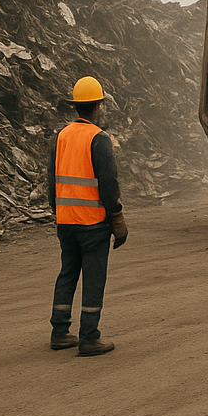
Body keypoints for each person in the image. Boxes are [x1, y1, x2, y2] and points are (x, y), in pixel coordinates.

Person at [47, 76, 128, 356]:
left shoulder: (60, 136)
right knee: (93, 278)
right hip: (92, 223)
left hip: (66, 221)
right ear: (98, 106)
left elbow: (52, 179)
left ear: (76, 106)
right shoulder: (99, 138)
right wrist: (116, 216)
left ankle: (59, 332)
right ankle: (89, 337)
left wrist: (57, 211)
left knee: (68, 273)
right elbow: (109, 183)